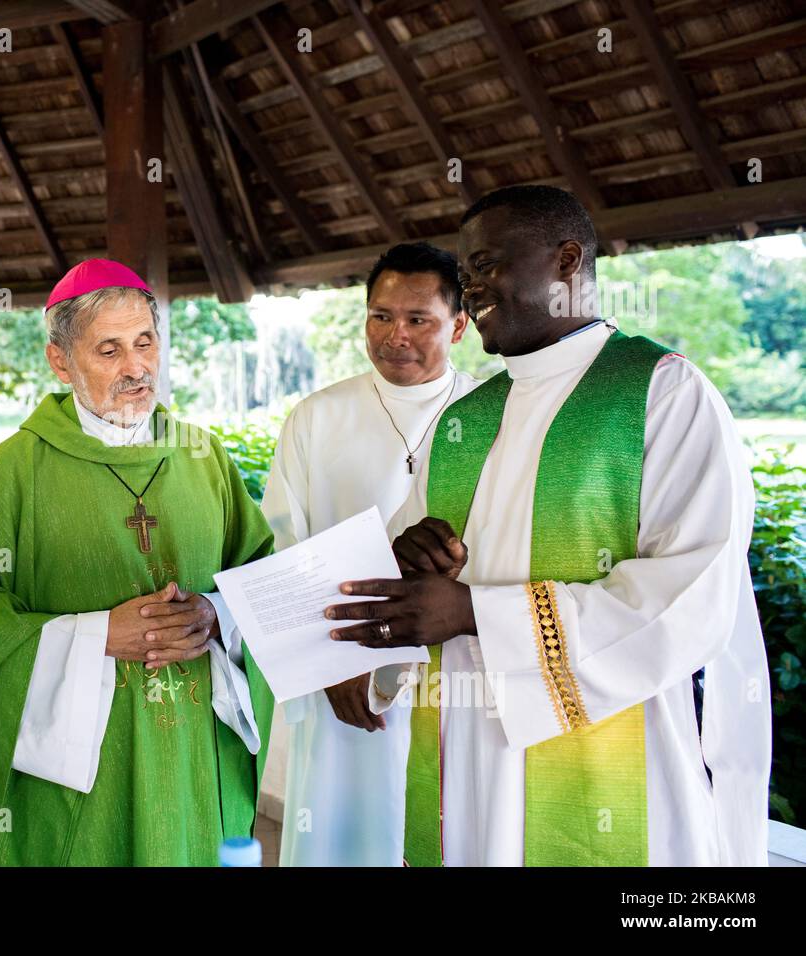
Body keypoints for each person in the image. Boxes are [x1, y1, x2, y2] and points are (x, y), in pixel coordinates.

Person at [329, 185, 772, 865]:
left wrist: (477, 613)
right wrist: (404, 557)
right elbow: (410, 579)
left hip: (606, 752)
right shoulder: (465, 418)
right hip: (461, 751)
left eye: (485, 265)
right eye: (465, 272)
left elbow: (692, 596)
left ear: (567, 261)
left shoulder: (661, 393)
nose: (469, 288)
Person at [0, 258, 273, 865]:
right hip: (76, 776)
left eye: (144, 343)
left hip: (191, 753)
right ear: (61, 361)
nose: (136, 368)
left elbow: (262, 577)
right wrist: (95, 634)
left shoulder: (203, 458)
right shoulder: (10, 476)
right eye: (109, 350)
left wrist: (215, 614)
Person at [263, 241, 478, 866]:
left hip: (456, 673)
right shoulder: (317, 418)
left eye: (419, 320)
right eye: (380, 316)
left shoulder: (492, 416)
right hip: (342, 671)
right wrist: (330, 667)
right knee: (343, 835)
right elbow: (280, 549)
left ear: (459, 325)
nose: (395, 336)